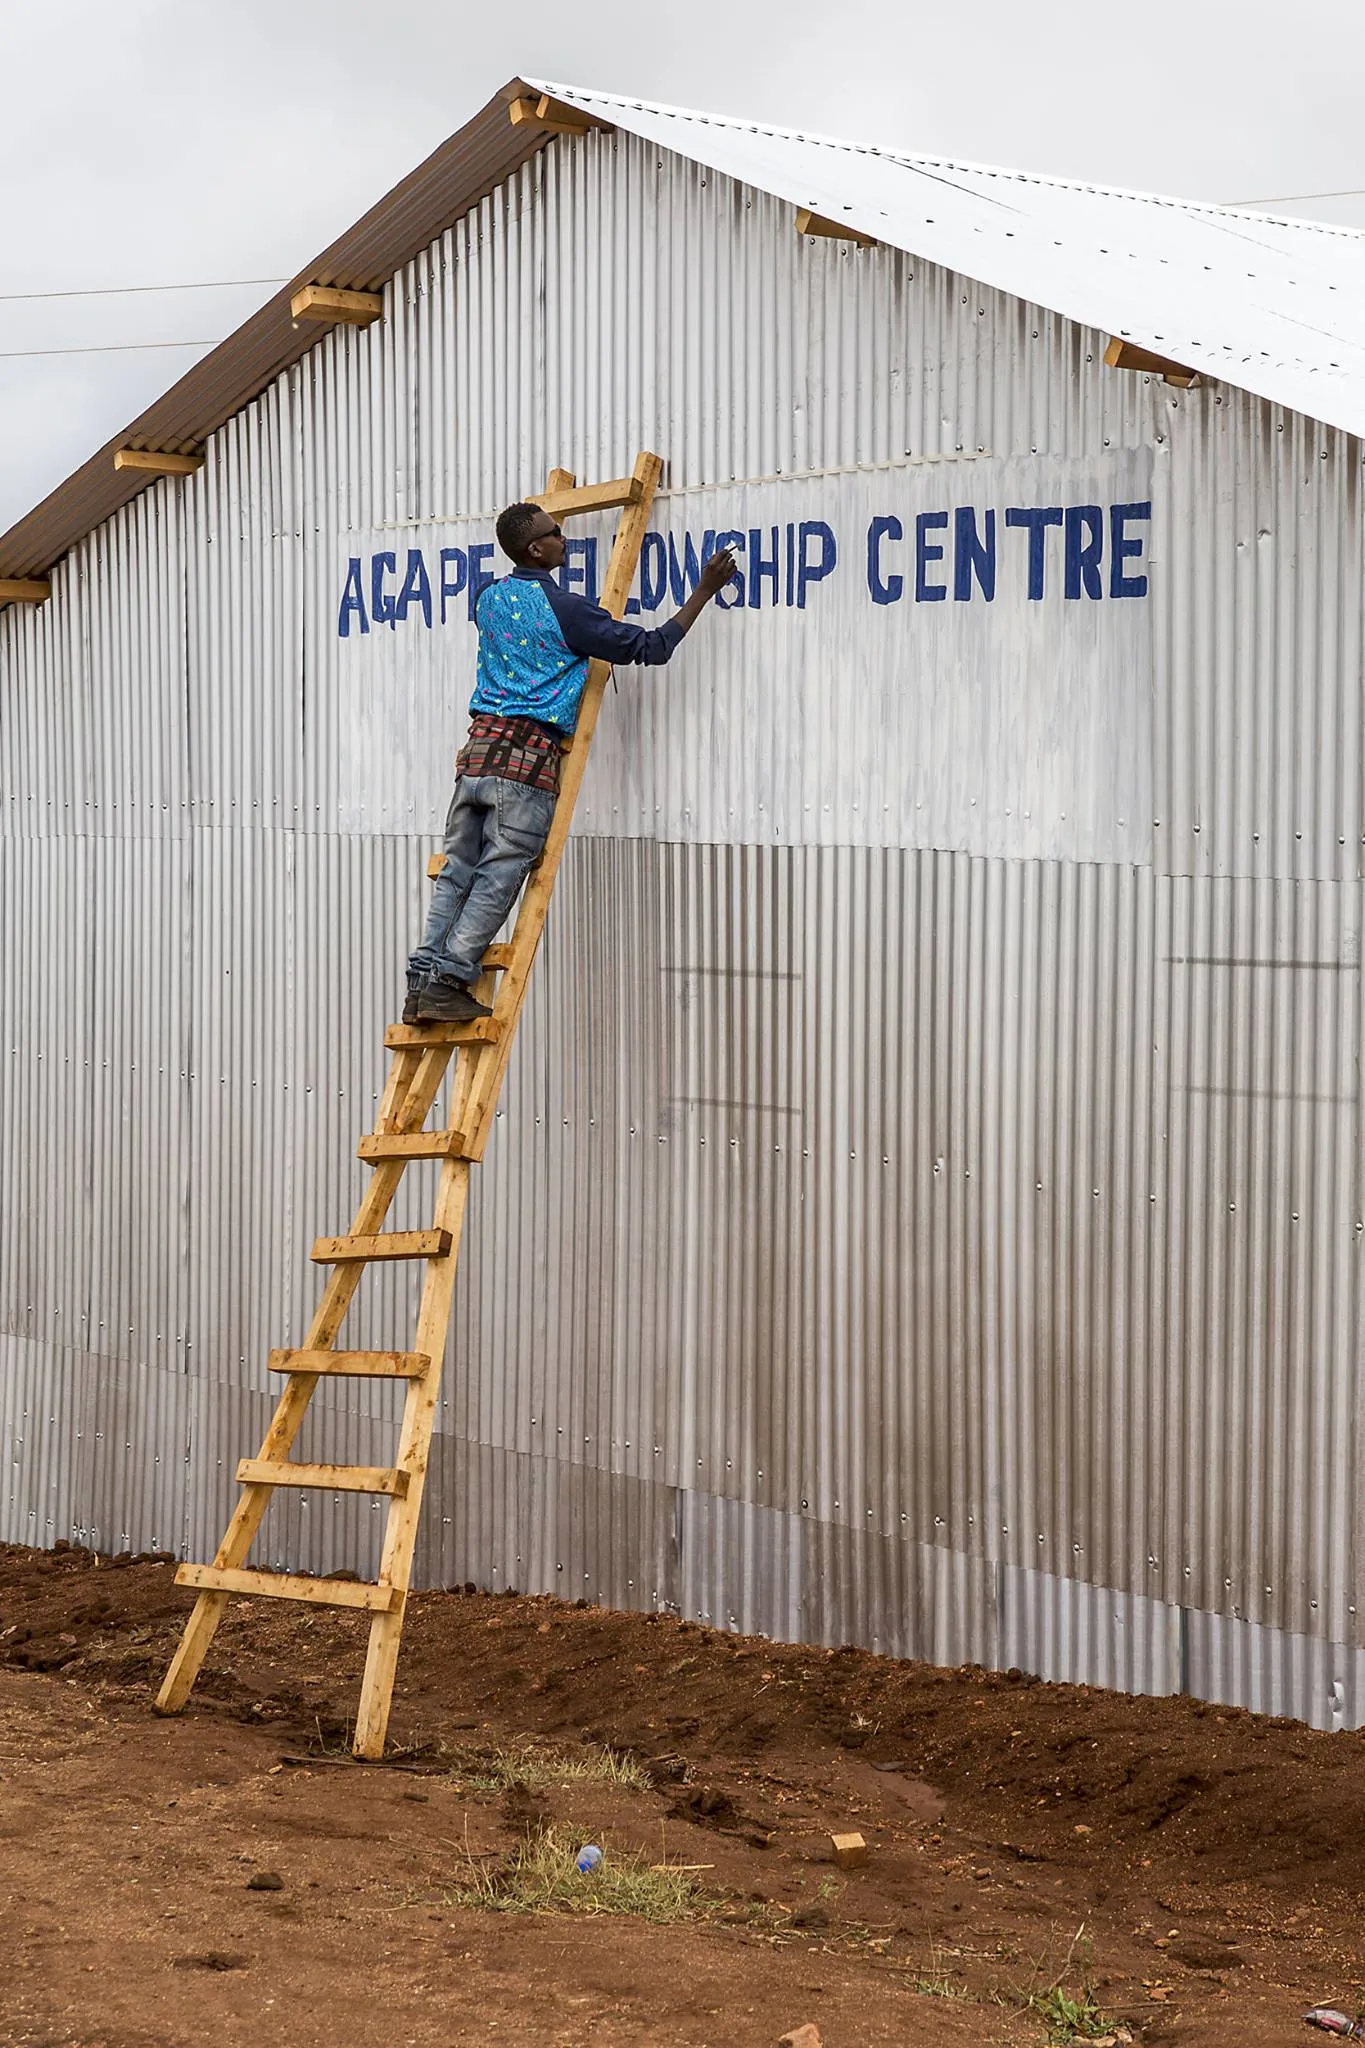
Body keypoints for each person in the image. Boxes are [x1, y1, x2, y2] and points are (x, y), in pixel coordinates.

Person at [405, 502, 736, 1023]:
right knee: (500, 872)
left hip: (475, 760)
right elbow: (653, 647)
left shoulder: (487, 600)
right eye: (555, 533)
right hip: (524, 765)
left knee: (456, 873)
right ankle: (449, 978)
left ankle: (421, 982)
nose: (564, 538)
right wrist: (702, 591)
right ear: (536, 548)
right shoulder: (569, 613)